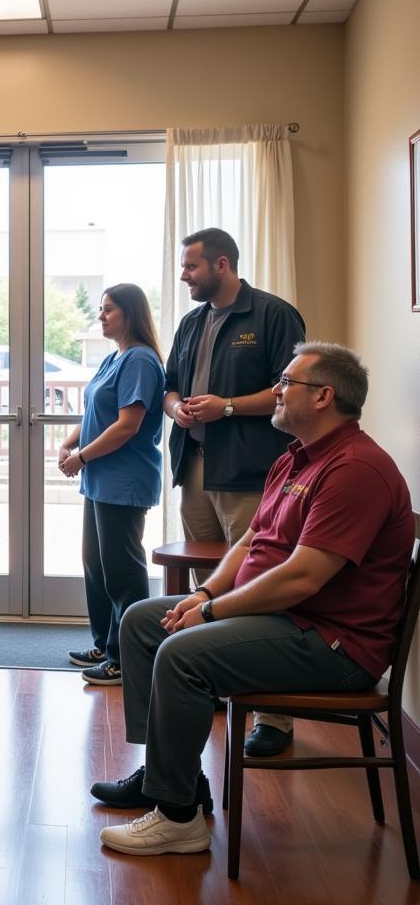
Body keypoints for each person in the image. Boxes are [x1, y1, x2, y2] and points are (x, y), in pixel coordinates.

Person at [92, 343, 414, 857]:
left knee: (181, 653)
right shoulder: (294, 458)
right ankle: (171, 779)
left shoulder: (356, 469)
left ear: (325, 396)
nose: (278, 391)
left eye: (288, 383)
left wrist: (213, 611)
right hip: (288, 620)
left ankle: (178, 821)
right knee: (142, 622)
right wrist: (204, 592)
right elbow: (250, 543)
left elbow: (302, 578)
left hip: (332, 644)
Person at [164, 227, 305, 757]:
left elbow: (289, 389)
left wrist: (225, 406)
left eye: (191, 268)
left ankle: (273, 716)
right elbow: (169, 384)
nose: (184, 276)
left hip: (249, 470)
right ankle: (218, 678)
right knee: (211, 581)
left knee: (260, 583)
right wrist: (176, 407)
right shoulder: (192, 322)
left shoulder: (272, 314)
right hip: (195, 468)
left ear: (221, 265)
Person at [58, 284, 166, 686]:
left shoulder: (139, 359)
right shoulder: (113, 358)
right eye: (100, 310)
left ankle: (128, 658)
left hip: (124, 478)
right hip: (100, 478)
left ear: (130, 313)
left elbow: (127, 425)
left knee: (122, 571)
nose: (101, 317)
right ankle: (105, 643)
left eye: (108, 310)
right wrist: (70, 442)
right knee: (96, 563)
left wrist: (82, 457)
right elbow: (96, 414)